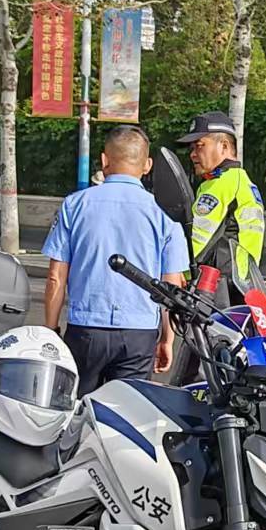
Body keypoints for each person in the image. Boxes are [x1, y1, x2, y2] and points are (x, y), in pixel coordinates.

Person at [42, 126, 190, 394]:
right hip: (139, 334)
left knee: (74, 410)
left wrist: (51, 329)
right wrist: (167, 338)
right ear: (147, 165)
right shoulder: (165, 215)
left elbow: (56, 277)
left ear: (104, 160)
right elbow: (171, 286)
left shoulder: (74, 205)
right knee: (126, 418)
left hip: (84, 330)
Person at [178, 110, 265, 300]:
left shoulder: (222, 184)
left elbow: (197, 240)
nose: (193, 154)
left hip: (216, 287)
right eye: (191, 148)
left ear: (224, 146)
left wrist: (173, 271)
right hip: (241, 283)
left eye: (200, 146)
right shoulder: (242, 180)